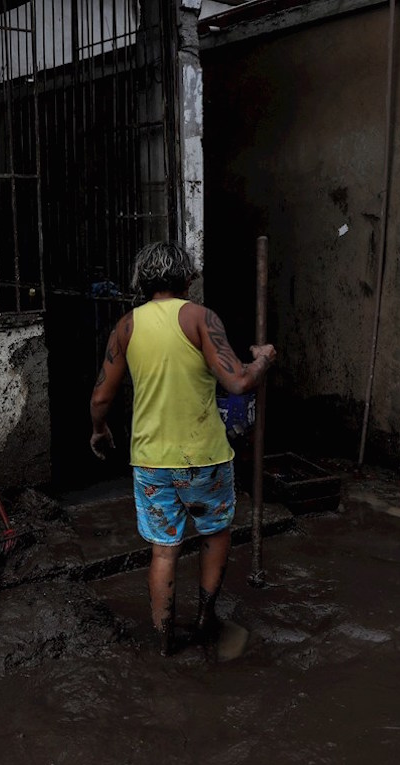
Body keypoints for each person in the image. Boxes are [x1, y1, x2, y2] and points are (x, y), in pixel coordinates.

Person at [89, 242, 276, 656]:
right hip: (203, 458)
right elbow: (239, 382)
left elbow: (101, 397)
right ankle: (206, 620)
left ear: (142, 281)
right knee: (215, 533)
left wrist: (99, 430)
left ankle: (162, 641)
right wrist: (262, 359)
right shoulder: (199, 317)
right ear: (187, 277)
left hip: (151, 462)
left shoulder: (126, 326)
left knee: (163, 548)